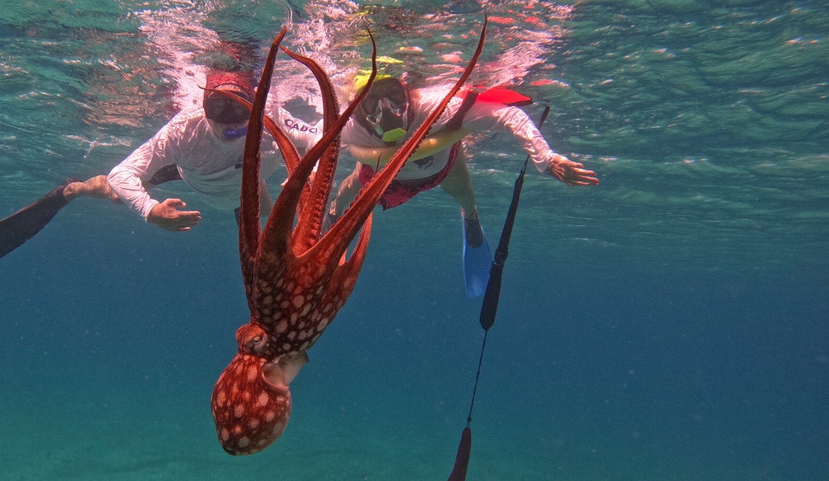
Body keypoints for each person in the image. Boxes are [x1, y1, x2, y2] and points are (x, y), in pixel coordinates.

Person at [331, 67, 599, 294]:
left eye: (393, 96)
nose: (387, 108)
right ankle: (333, 212)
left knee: (463, 191)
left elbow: (508, 115)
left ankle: (471, 216)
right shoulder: (352, 127)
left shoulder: (436, 106)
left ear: (407, 93)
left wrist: (547, 158)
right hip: (384, 172)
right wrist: (312, 175)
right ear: (358, 108)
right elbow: (318, 139)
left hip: (440, 167)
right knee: (353, 183)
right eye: (372, 101)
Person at [64, 68, 320, 231]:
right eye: (217, 108)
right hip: (193, 172)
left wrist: (314, 170)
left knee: (267, 213)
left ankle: (253, 182)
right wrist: (150, 210)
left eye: (239, 108)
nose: (229, 121)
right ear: (204, 108)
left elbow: (318, 134)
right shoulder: (183, 130)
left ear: (253, 108)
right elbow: (121, 174)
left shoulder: (272, 118)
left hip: (249, 177)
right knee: (116, 193)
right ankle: (80, 188)